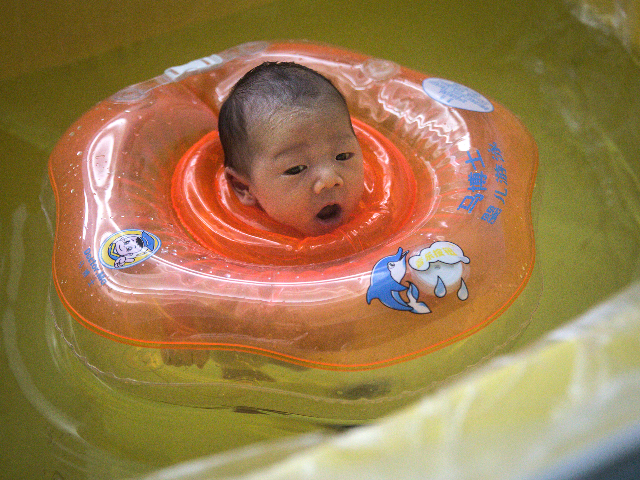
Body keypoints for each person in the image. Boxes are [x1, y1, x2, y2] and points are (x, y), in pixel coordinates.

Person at [218, 62, 364, 237]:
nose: (330, 179)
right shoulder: (239, 254)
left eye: (343, 156)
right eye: (296, 169)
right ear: (243, 187)